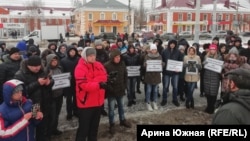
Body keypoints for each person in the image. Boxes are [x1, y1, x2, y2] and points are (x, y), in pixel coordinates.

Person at [14, 55, 54, 141]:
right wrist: (37, 83)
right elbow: (21, 92)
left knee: (43, 125)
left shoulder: (43, 70)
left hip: (45, 102)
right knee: (33, 126)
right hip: (33, 105)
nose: (36, 68)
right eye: (33, 66)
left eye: (38, 66)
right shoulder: (20, 75)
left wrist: (49, 82)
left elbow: (51, 80)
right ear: (28, 65)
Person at [74, 47, 107, 141]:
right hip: (86, 103)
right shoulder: (80, 67)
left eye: (94, 55)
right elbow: (84, 85)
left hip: (98, 102)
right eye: (90, 56)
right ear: (85, 56)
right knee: (83, 129)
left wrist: (93, 81)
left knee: (94, 128)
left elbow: (104, 77)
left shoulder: (99, 64)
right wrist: (98, 83)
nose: (93, 57)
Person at [104, 49, 131, 135]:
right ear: (112, 58)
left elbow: (125, 75)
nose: (118, 58)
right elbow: (105, 80)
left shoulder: (122, 64)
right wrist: (110, 88)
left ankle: (122, 120)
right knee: (111, 109)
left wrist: (124, 85)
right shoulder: (107, 66)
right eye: (116, 57)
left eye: (119, 57)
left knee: (121, 107)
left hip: (121, 90)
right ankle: (112, 124)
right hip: (111, 92)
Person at [61, 46, 80, 120]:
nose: (72, 52)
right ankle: (69, 113)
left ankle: (76, 111)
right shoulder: (63, 60)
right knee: (69, 99)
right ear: (68, 52)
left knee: (76, 98)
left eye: (74, 51)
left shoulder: (79, 59)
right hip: (67, 82)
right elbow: (62, 71)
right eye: (71, 51)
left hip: (77, 81)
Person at [144, 44, 163, 111]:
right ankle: (148, 102)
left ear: (156, 50)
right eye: (152, 49)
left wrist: (162, 64)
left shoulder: (159, 56)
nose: (154, 51)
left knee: (155, 90)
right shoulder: (147, 56)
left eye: (155, 49)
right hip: (149, 76)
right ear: (151, 50)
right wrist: (145, 64)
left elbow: (161, 65)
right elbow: (144, 64)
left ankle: (154, 102)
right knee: (149, 90)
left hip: (156, 76)